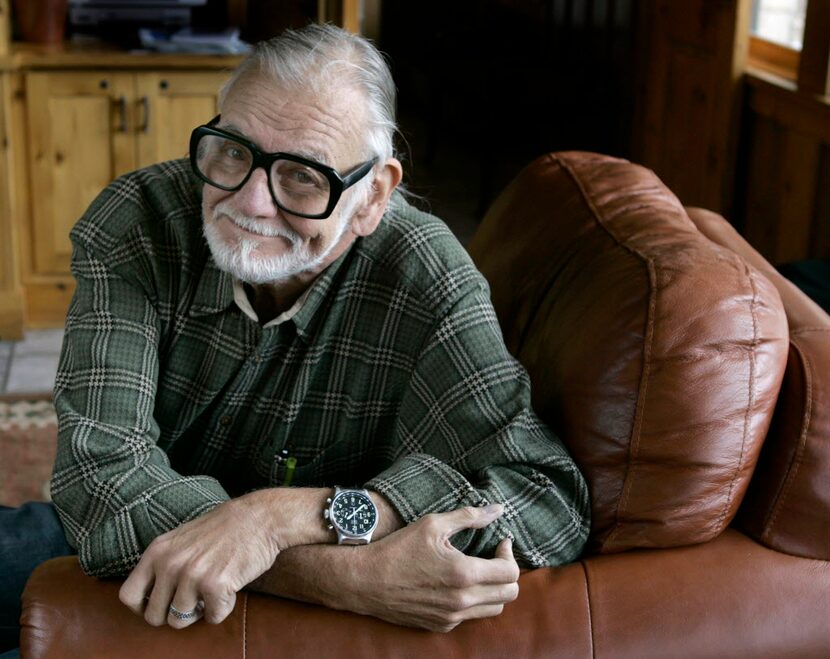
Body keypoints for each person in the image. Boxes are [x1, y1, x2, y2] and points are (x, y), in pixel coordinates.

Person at [0, 23, 589, 652]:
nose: (250, 201)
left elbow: (546, 500)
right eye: (232, 151)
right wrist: (346, 578)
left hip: (294, 631)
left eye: (303, 177)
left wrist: (284, 517)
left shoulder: (426, 278)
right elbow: (97, 478)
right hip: (137, 544)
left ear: (372, 198)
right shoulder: (140, 220)